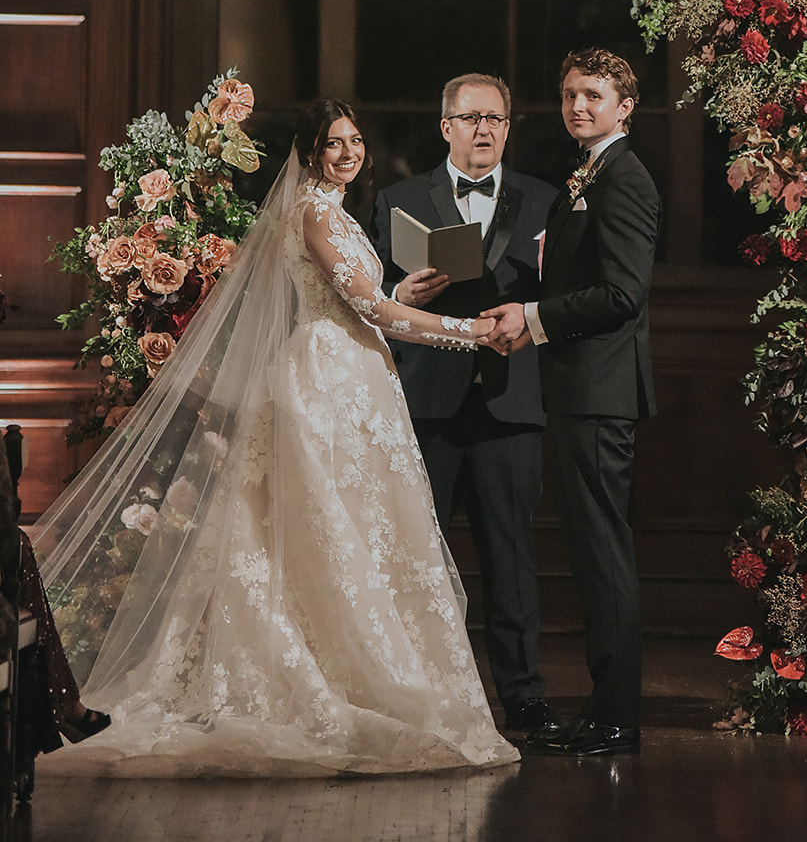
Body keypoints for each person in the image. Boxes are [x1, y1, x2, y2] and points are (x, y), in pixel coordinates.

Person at [29, 99, 519, 776]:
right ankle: (330, 672)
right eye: (332, 143)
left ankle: (348, 660)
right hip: (324, 376)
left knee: (354, 522)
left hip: (355, 373)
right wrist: (474, 332)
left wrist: (404, 287)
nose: (348, 152)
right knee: (323, 524)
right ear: (308, 152)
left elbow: (365, 298)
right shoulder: (314, 211)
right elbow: (369, 311)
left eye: (354, 141)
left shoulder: (337, 209)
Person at [481, 48, 660, 757]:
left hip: (598, 389)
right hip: (580, 388)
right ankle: (606, 710)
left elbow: (623, 294)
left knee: (603, 553)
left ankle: (617, 716)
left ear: (624, 106)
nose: (577, 105)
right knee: (591, 554)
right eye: (567, 94)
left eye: (592, 94)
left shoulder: (624, 178)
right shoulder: (591, 172)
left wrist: (534, 315)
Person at [369, 74, 557, 738]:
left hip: (510, 400)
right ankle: (422, 698)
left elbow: (566, 296)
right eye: (471, 117)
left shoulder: (545, 199)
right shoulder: (396, 198)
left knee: (511, 560)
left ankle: (523, 697)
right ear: (443, 126)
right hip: (426, 402)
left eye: (496, 118)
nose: (484, 129)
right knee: (417, 556)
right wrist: (403, 291)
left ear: (508, 127)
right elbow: (365, 296)